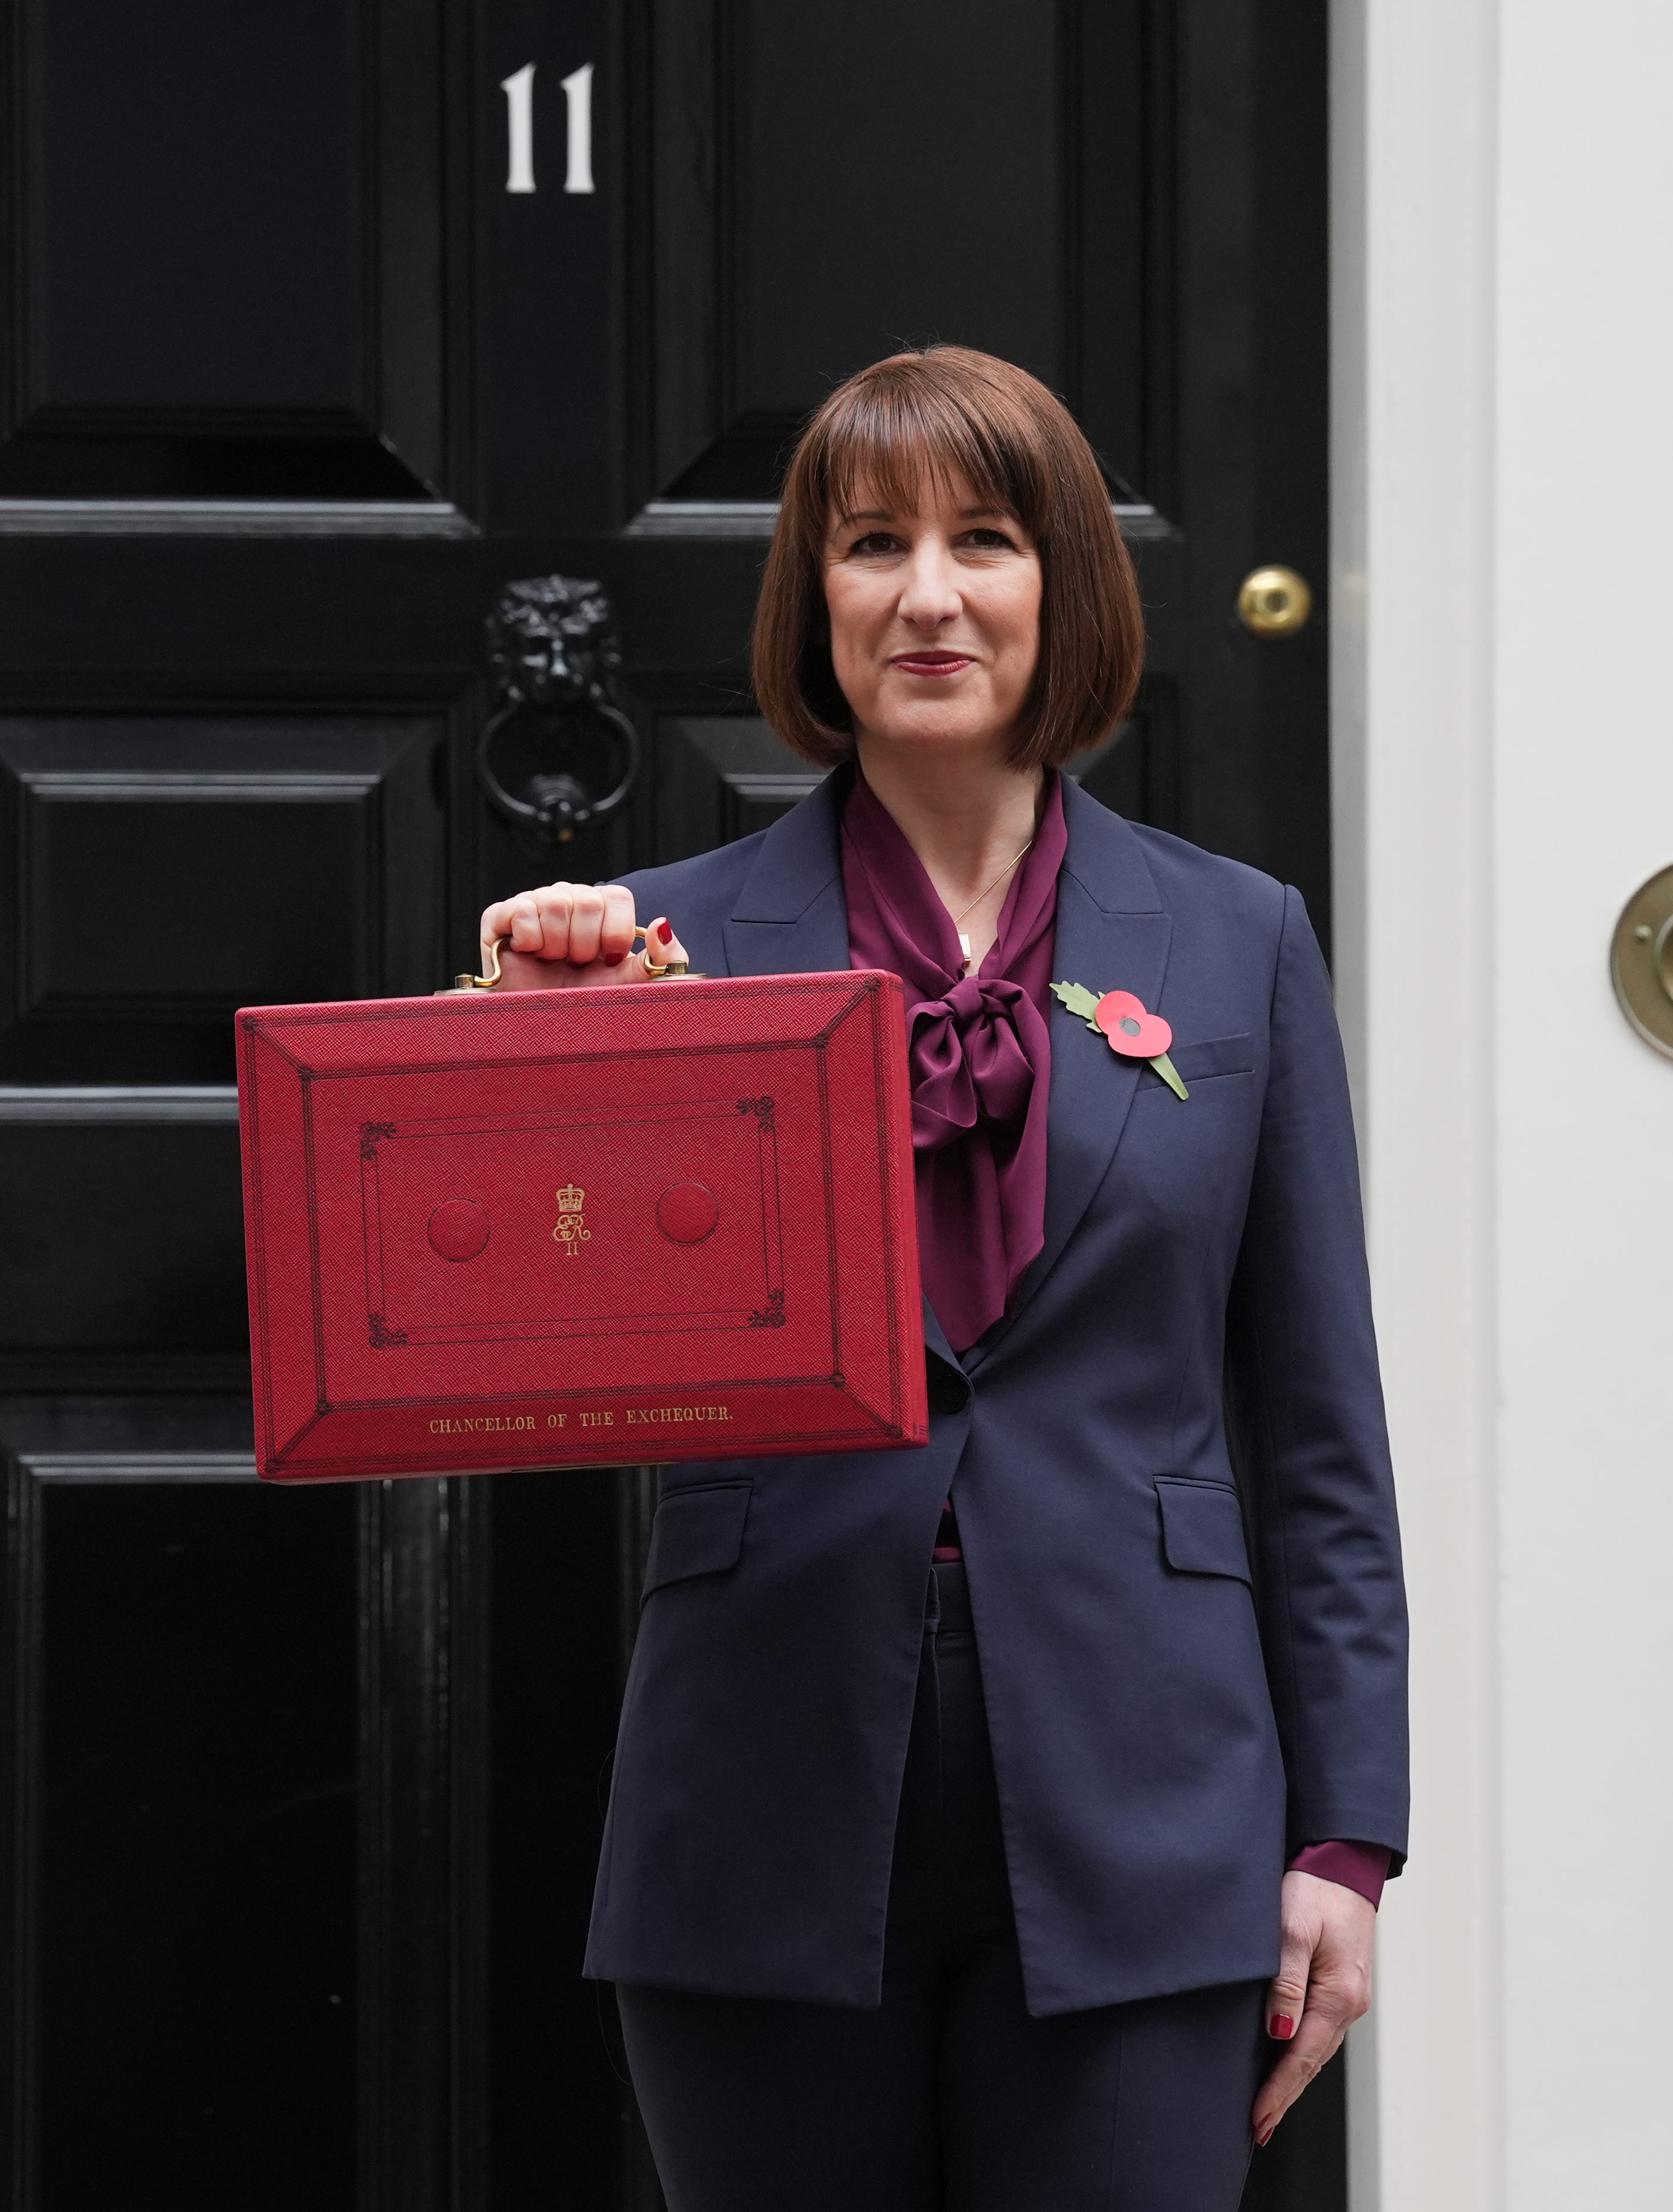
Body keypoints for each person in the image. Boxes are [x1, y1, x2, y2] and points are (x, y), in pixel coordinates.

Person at [473, 346, 1406, 2211]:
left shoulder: (1237, 942)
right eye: (869, 543)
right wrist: (527, 1052)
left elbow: (1316, 1427)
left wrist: (1345, 1837)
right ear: (810, 603)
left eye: (982, 540)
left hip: (1155, 1803)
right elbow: (503, 1348)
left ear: (1062, 584)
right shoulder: (664, 942)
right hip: (758, 1795)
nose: (925, 594)